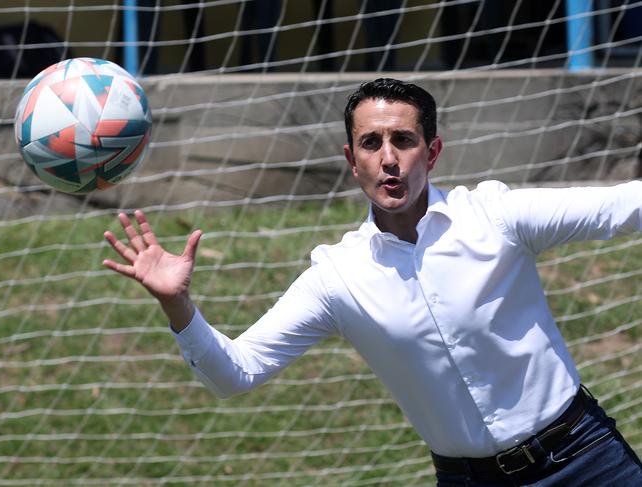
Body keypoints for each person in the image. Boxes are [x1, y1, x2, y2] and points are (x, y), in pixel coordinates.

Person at [103, 78, 642, 486]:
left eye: (403, 140)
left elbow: (623, 206)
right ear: (350, 159)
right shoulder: (338, 277)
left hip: (585, 458)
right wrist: (178, 306)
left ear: (431, 152)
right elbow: (235, 373)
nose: (388, 159)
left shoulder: (495, 218)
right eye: (370, 143)